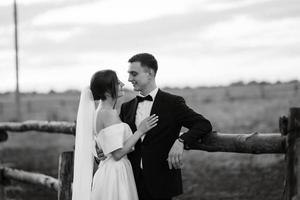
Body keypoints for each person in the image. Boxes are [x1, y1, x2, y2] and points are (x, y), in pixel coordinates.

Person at [98, 53, 212, 200]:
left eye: (134, 74)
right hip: (131, 182)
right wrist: (101, 152)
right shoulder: (127, 107)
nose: (129, 79)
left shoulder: (173, 103)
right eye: (129, 74)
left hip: (161, 183)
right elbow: (115, 140)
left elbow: (203, 124)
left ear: (150, 73)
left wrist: (181, 141)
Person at [72, 70, 159, 200]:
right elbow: (117, 154)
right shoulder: (108, 114)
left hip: (111, 169)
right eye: (117, 83)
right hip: (115, 173)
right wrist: (140, 131)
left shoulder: (102, 111)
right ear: (107, 91)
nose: (123, 84)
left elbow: (105, 145)